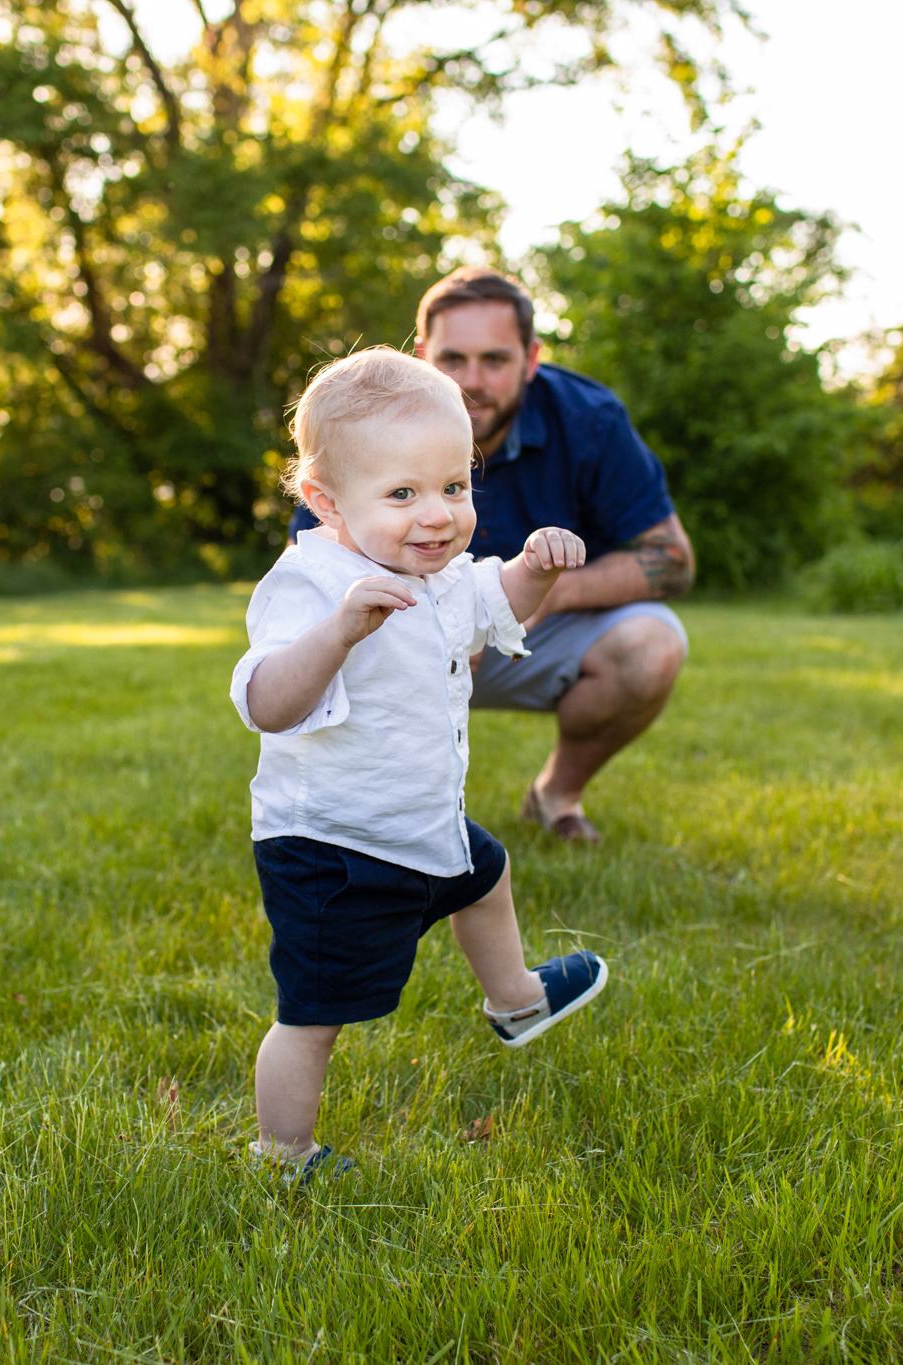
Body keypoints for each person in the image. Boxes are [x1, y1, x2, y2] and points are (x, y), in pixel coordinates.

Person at [232, 347, 610, 1181]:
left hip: (422, 816)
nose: (437, 514)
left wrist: (536, 571)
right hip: (334, 841)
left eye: (455, 486)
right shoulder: (312, 580)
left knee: (485, 873)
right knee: (315, 1015)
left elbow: (497, 601)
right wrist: (338, 632)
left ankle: (516, 1000)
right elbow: (267, 702)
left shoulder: (437, 572)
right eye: (402, 493)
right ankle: (282, 1153)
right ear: (326, 502)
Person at [290, 267, 695, 844]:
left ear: (530, 359)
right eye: (453, 359)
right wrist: (400, 624)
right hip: (392, 634)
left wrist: (543, 596)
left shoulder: (589, 419)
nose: (471, 382)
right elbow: (309, 568)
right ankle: (352, 826)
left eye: (495, 360)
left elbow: (672, 558)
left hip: (527, 636)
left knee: (654, 644)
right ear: (423, 355)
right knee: (325, 643)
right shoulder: (362, 420)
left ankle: (557, 796)